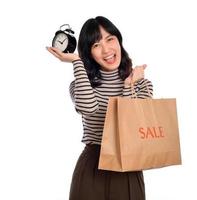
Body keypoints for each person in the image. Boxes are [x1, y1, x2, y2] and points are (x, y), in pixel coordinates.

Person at [46, 16, 152, 200]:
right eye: (96, 45)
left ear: (119, 41)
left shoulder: (142, 84)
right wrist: (76, 62)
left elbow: (131, 126)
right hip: (92, 167)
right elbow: (89, 108)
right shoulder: (80, 84)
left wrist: (128, 85)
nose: (106, 50)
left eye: (110, 39)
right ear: (89, 52)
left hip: (127, 167)